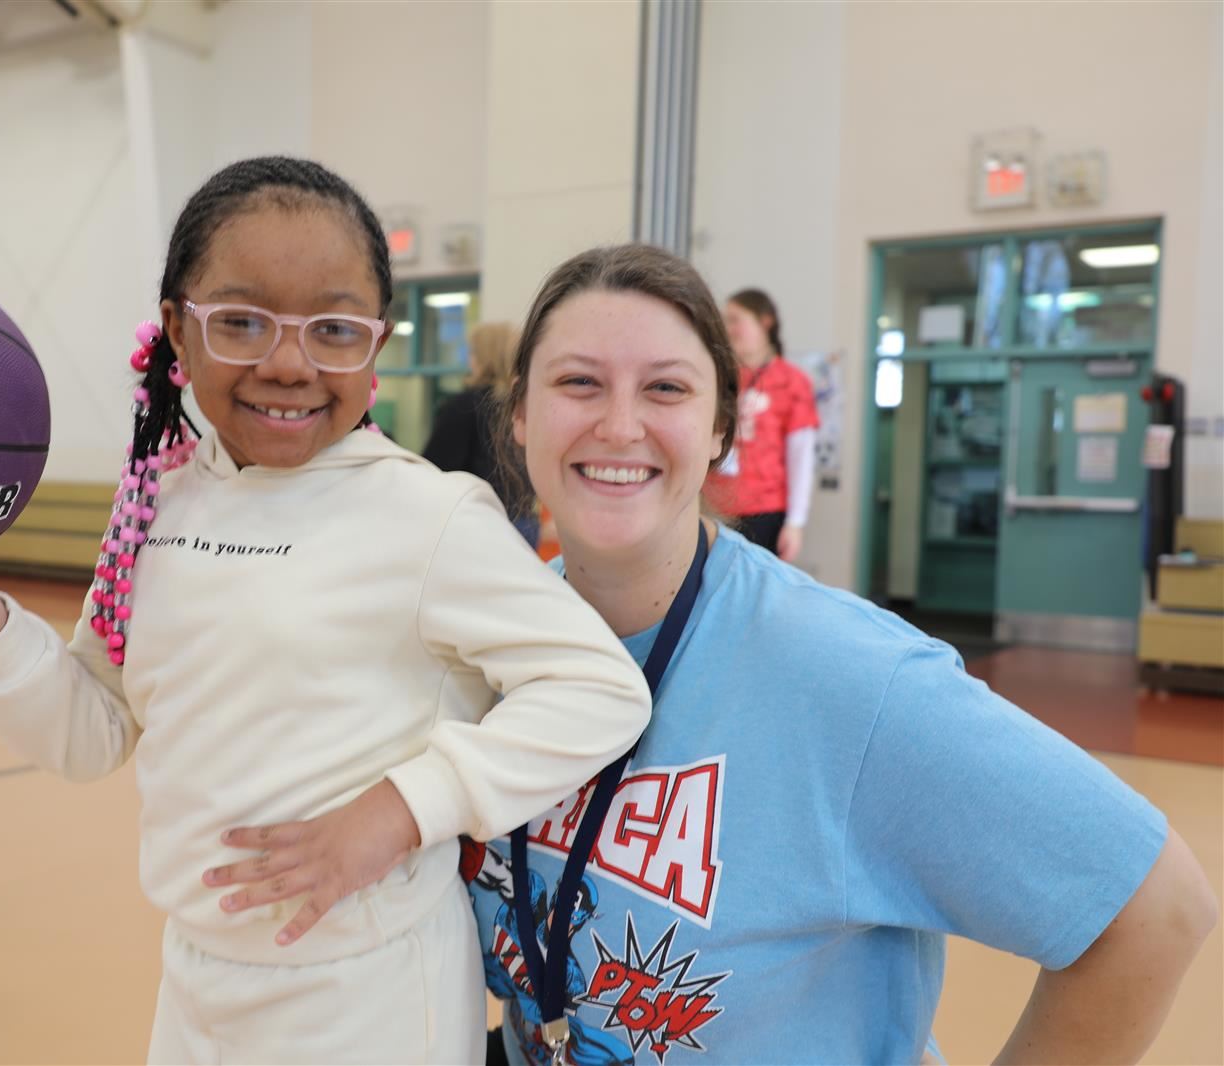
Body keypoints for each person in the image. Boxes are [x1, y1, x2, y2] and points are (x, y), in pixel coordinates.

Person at [0, 157, 650, 1063]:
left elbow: (600, 691)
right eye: (240, 321)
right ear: (176, 333)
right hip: (197, 982)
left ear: (376, 345)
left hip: (373, 990)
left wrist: (399, 810)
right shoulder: (158, 505)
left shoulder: (428, 516)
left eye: (334, 328)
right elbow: (90, 733)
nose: (288, 363)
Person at [450, 243, 1215, 1064]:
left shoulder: (849, 676)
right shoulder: (484, 648)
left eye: (666, 387)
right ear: (521, 412)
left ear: (720, 429)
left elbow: (1155, 910)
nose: (619, 425)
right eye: (578, 382)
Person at [703, 288, 817, 561]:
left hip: (764, 512)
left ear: (765, 322)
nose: (728, 328)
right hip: (712, 507)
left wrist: (795, 523)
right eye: (725, 320)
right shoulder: (718, 376)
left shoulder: (792, 381)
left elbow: (801, 457)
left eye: (735, 319)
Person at [423, 321, 539, 545]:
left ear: (485, 357)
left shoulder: (466, 406)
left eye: (473, 352)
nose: (470, 360)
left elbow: (434, 468)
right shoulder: (525, 406)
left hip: (479, 523)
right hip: (526, 523)